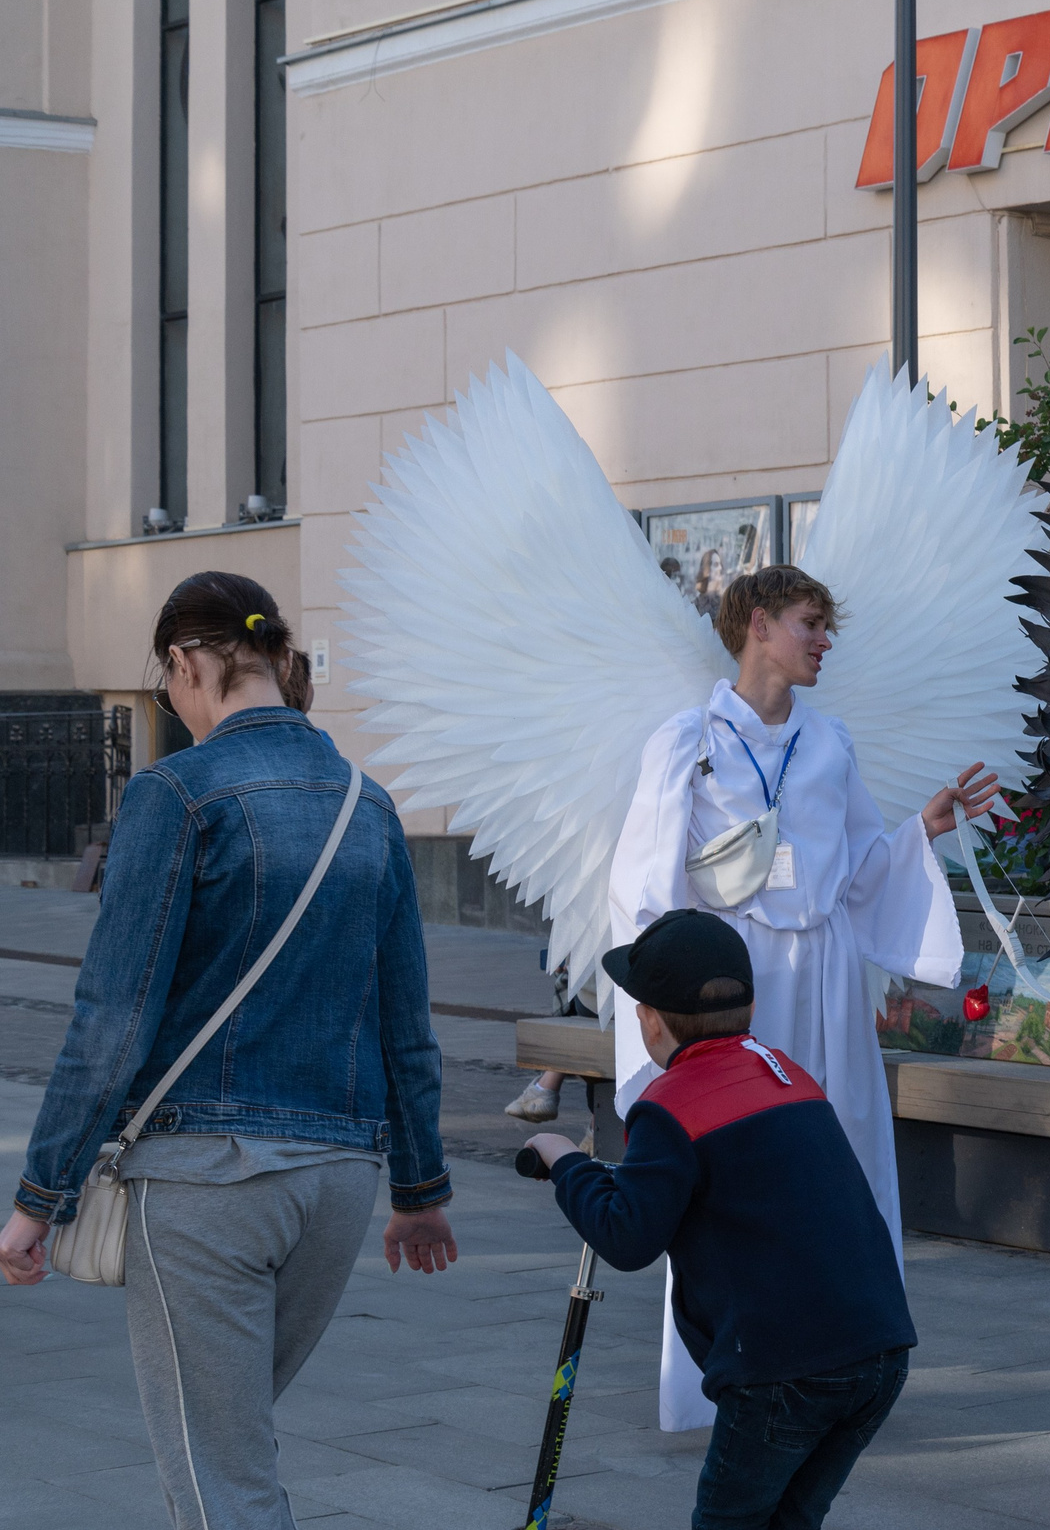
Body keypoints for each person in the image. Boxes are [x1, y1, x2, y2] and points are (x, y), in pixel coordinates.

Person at [0, 571, 458, 1530]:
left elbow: (112, 1015)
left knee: (222, 1483)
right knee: (233, 1451)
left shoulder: (176, 791)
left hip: (210, 1183)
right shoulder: (365, 804)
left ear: (186, 661)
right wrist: (419, 1191)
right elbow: (405, 1023)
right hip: (337, 1185)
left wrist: (40, 1196)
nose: (172, 703)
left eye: (168, 683)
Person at [609, 564, 997, 1431]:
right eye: (809, 621)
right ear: (756, 624)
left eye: (827, 625)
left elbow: (857, 872)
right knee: (728, 1165)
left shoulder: (830, 744)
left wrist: (919, 831)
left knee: (843, 1154)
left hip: (823, 978)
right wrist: (666, 1015)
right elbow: (646, 887)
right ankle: (720, 1374)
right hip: (731, 988)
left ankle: (850, 1359)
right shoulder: (686, 741)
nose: (824, 640)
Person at [528, 910, 911, 1529]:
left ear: (649, 1019)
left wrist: (562, 1158)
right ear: (750, 1007)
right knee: (791, 1519)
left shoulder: (669, 1104)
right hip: (878, 1346)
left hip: (783, 1367)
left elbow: (627, 1236)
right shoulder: (785, 1074)